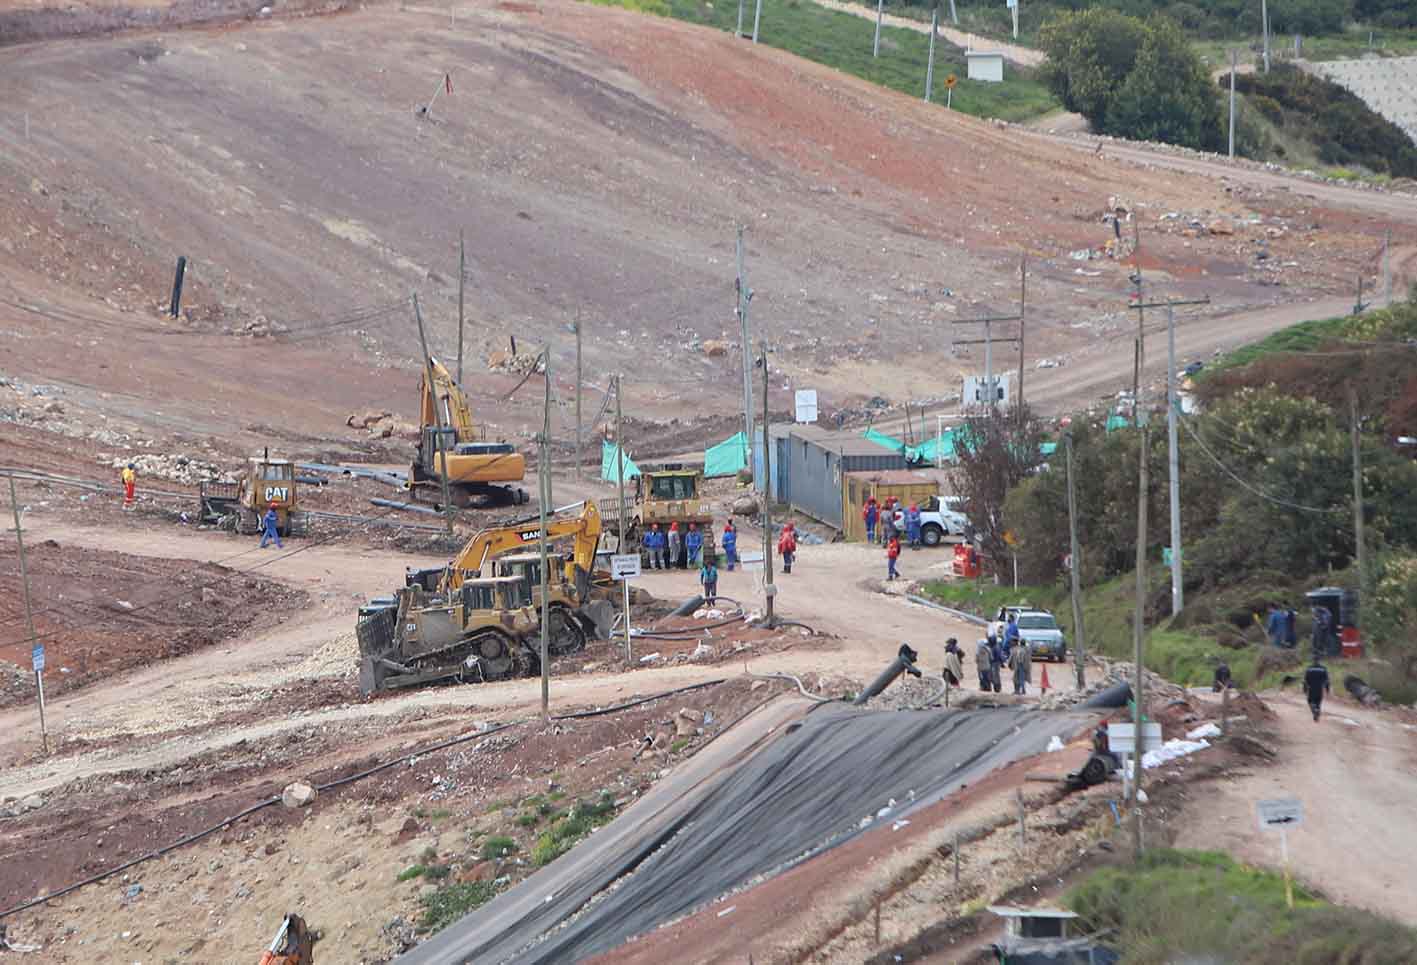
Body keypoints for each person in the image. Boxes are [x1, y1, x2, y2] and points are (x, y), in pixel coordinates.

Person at [1304, 656, 1331, 722]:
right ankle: (1317, 713)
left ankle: (1314, 710)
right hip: (1320, 688)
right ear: (1319, 660)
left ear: (1313, 660)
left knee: (1310, 701)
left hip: (1311, 688)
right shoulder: (1323, 669)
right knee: (1318, 702)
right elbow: (1327, 680)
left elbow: (1305, 680)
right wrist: (1327, 689)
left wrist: (1305, 689)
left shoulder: (1309, 669)